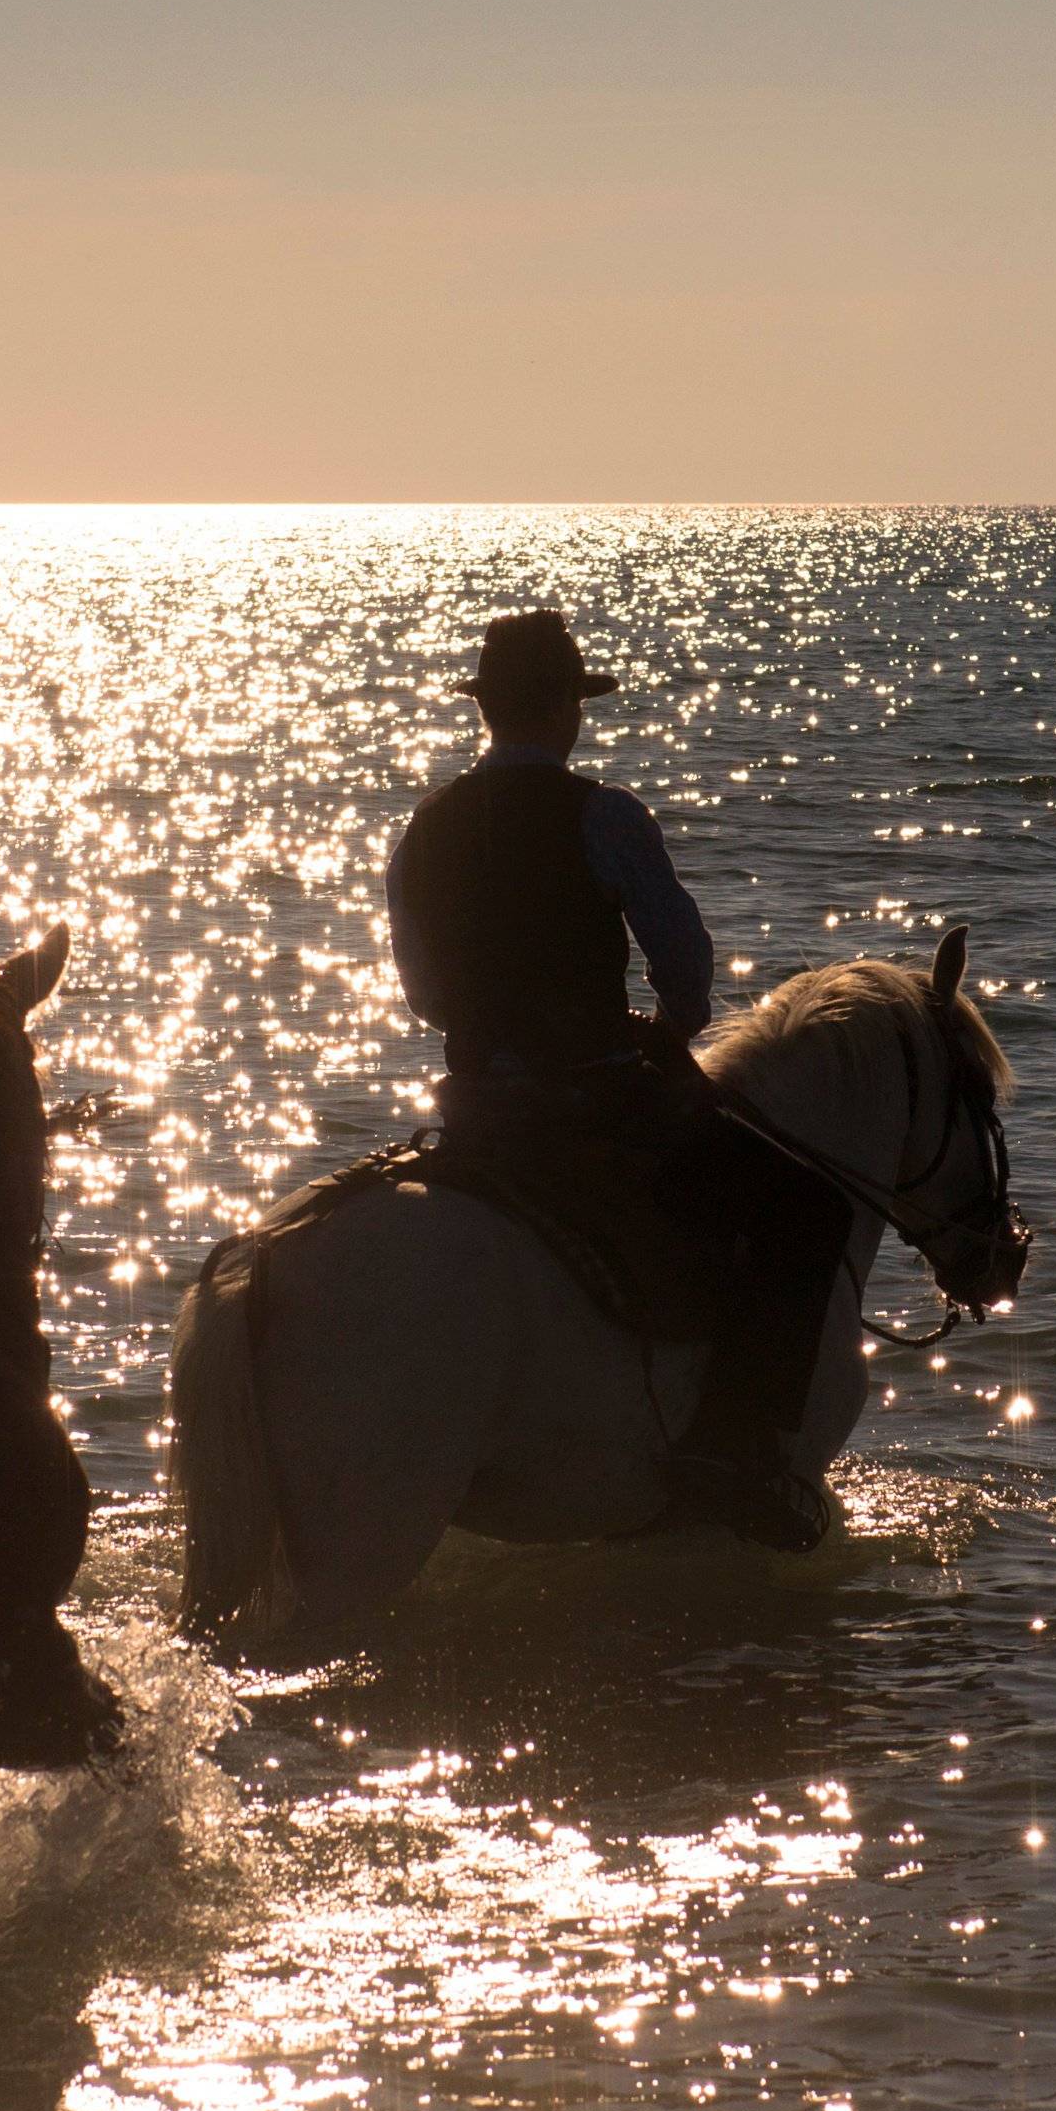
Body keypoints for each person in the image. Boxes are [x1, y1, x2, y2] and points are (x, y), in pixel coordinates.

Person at [386, 610, 855, 1550]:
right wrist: (668, 1029)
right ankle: (734, 1453)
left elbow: (427, 998)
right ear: (565, 709)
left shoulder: (425, 830)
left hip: (477, 1107)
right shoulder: (604, 814)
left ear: (488, 710)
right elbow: (684, 964)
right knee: (802, 1204)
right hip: (594, 1100)